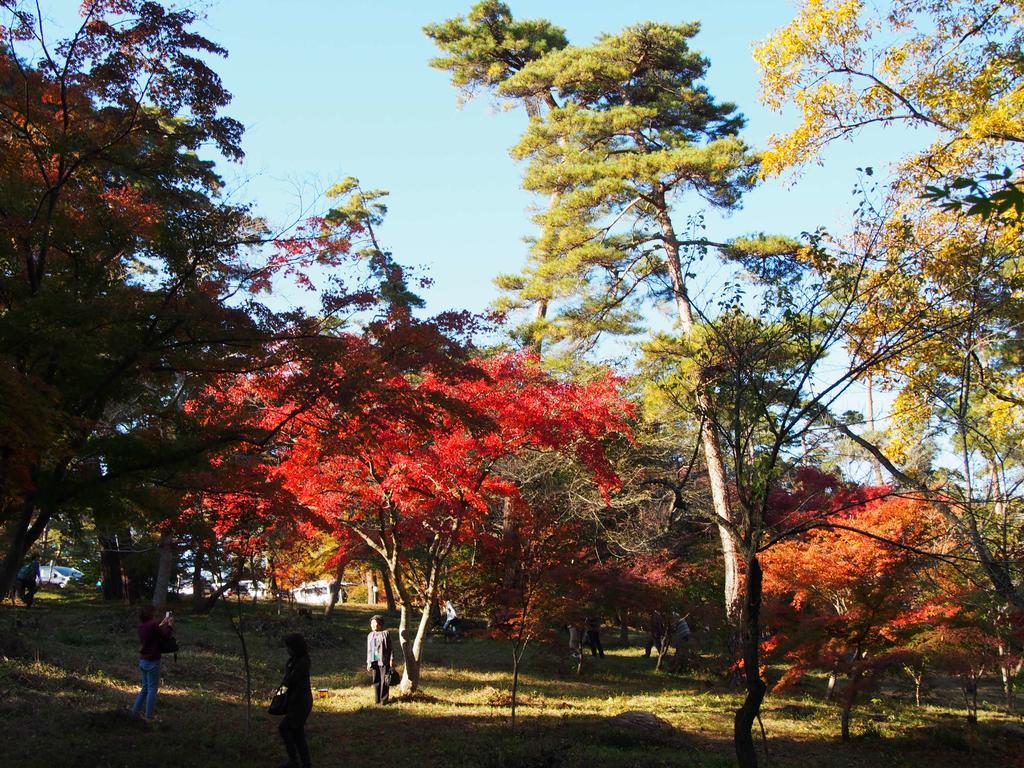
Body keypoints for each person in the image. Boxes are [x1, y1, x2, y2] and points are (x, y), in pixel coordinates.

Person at [131, 605, 174, 722]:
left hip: (143, 660)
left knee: (145, 688)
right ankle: (149, 717)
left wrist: (162, 623)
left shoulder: (141, 627)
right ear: (150, 614)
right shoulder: (153, 625)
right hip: (153, 661)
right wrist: (169, 625)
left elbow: (153, 632)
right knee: (152, 689)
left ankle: (134, 712)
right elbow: (165, 636)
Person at [277, 633, 313, 768]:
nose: (287, 650)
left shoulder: (302, 662)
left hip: (300, 703)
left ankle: (295, 761)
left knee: (286, 728)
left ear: (295, 647)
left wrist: (279, 694)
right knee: (296, 732)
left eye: (289, 647)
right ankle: (303, 762)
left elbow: (289, 681)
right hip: (296, 701)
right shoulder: (294, 660)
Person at [365, 615, 393, 704]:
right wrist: (368, 662)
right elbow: (368, 650)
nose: (373, 624)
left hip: (383, 660)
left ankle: (383, 700)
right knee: (376, 681)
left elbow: (390, 648)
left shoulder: (385, 633)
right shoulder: (370, 635)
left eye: (375, 622)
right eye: (372, 623)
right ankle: (377, 700)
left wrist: (392, 659)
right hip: (373, 661)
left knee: (384, 681)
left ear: (380, 624)